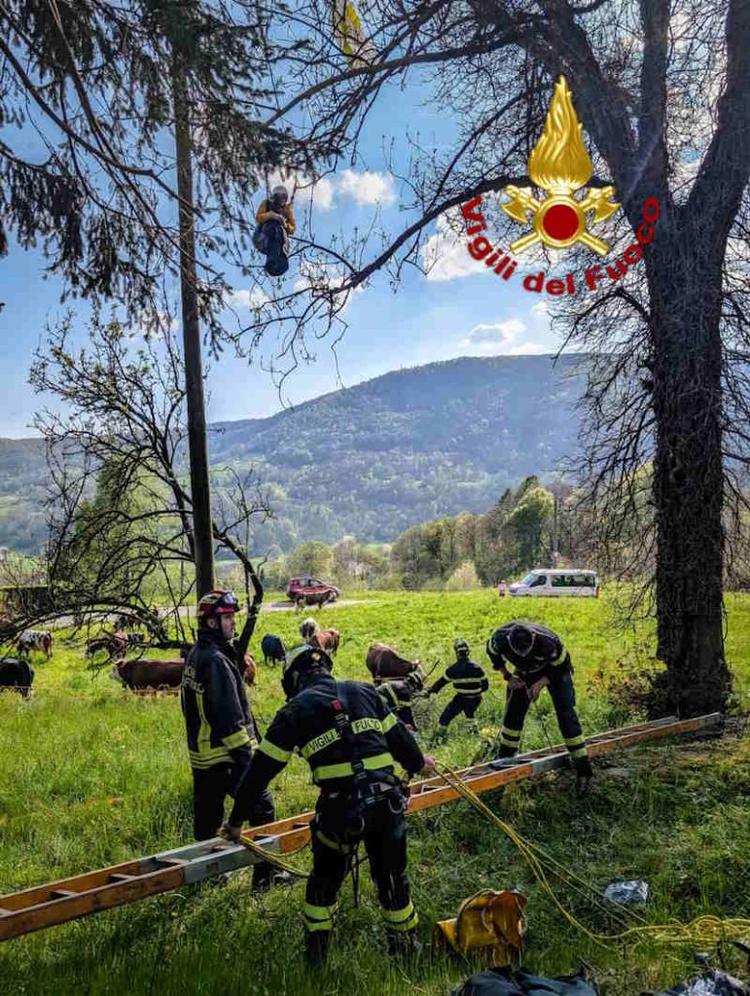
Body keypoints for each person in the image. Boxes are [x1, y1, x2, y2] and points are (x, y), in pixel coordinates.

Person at [223, 643, 436, 965]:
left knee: (323, 887)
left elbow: (259, 772)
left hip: (340, 811)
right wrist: (421, 763)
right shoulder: (365, 691)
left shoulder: (294, 711)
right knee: (393, 882)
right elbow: (402, 744)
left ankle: (317, 961)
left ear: (292, 678)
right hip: (386, 805)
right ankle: (406, 952)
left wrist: (236, 821)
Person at [180, 588, 277, 890]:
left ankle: (209, 878)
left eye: (233, 616)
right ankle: (264, 881)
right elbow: (230, 722)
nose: (232, 623)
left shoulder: (197, 655)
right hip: (227, 757)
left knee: (207, 822)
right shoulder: (217, 662)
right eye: (227, 617)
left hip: (203, 758)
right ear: (211, 623)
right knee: (263, 810)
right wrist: (253, 764)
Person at [486, 620, 593, 791]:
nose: (522, 655)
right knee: (513, 714)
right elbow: (492, 653)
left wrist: (541, 683)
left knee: (566, 716)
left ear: (534, 638)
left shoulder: (548, 642)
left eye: (526, 652)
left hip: (555, 672)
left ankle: (583, 770)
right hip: (525, 672)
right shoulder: (499, 639)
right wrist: (508, 677)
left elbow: (563, 665)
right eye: (518, 653)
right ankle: (504, 763)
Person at [427, 638, 489, 739]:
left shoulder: (453, 670)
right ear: (468, 652)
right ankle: (473, 734)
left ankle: (439, 736)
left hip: (461, 698)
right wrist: (475, 692)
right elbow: (486, 686)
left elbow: (440, 683)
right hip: (476, 698)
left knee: (446, 716)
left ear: (457, 653)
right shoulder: (478, 668)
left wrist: (430, 690)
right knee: (469, 713)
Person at [253, 184, 296, 276]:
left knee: (278, 235)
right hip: (264, 234)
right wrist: (271, 215)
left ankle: (278, 265)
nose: (283, 199)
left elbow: (292, 228)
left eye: (285, 197)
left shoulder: (286, 210)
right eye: (281, 197)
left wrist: (285, 224)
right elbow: (258, 218)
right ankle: (271, 260)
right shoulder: (266, 203)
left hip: (279, 238)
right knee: (274, 227)